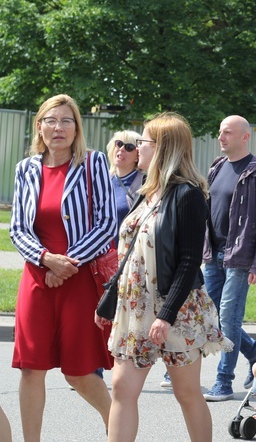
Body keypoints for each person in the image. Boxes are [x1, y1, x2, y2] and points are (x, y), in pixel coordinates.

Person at [95, 112, 231, 442]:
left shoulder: (188, 195)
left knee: (186, 394)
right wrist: (108, 303)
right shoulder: (147, 192)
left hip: (177, 309)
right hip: (136, 309)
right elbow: (131, 255)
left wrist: (166, 316)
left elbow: (188, 262)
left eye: (142, 141)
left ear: (163, 147)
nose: (136, 147)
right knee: (122, 388)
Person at [10, 94, 116, 442]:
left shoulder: (93, 163)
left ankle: (117, 427)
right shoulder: (26, 168)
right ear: (39, 125)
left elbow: (105, 223)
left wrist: (67, 262)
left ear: (76, 128)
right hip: (37, 278)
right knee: (31, 369)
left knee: (80, 373)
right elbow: (18, 228)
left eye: (67, 121)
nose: (59, 127)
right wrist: (45, 259)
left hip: (78, 278)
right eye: (51, 120)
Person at [202, 115, 256, 401]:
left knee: (228, 318)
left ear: (245, 137)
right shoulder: (217, 166)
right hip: (213, 256)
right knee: (214, 317)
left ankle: (223, 381)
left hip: (240, 258)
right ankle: (255, 353)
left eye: (227, 133)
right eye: (220, 132)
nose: (221, 137)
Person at [106, 130, 144, 237]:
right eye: (119, 144)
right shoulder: (103, 179)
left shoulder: (143, 184)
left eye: (129, 147)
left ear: (137, 156)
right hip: (100, 250)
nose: (122, 149)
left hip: (125, 251)